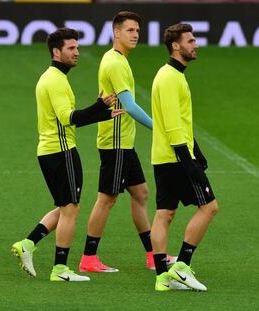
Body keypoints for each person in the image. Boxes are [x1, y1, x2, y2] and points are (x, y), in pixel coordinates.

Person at [11, 28, 122, 282]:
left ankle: (27, 244)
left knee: (63, 207)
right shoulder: (56, 81)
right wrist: (99, 106)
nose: (77, 53)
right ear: (56, 51)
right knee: (71, 209)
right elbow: (69, 119)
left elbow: (69, 120)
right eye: (71, 48)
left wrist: (102, 113)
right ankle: (60, 269)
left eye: (77, 48)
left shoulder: (50, 77)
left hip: (49, 151)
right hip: (61, 153)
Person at [79, 11, 176, 273]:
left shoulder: (117, 59)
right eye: (130, 30)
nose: (135, 35)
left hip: (124, 141)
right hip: (116, 141)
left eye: (137, 30)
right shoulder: (116, 63)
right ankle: (88, 258)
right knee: (106, 199)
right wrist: (159, 129)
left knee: (141, 193)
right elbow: (130, 106)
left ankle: (152, 255)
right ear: (116, 33)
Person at [150, 23, 218, 291]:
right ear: (176, 46)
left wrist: (197, 151)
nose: (196, 44)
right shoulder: (169, 78)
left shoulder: (173, 75)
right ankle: (181, 266)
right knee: (210, 207)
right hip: (175, 157)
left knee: (164, 214)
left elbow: (181, 121)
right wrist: (187, 159)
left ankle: (161, 278)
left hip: (165, 157)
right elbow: (172, 123)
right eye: (190, 40)